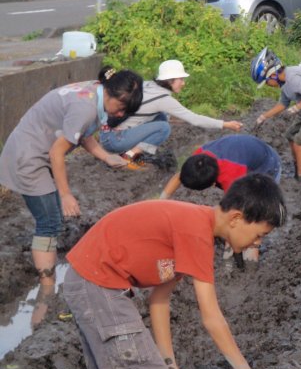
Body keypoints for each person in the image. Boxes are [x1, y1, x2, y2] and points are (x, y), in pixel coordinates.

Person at [63, 173, 287, 369]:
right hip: (97, 283)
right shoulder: (195, 232)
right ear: (237, 218)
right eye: (259, 235)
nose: (257, 243)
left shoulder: (193, 227)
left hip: (93, 281)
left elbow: (159, 298)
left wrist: (169, 361)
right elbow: (211, 317)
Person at [0, 66, 143, 296]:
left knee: (51, 218)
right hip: (29, 157)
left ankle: (47, 285)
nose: (119, 115)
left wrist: (107, 157)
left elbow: (83, 134)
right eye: (121, 108)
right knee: (49, 222)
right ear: (110, 93)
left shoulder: (94, 90)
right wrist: (66, 195)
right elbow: (57, 153)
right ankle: (47, 290)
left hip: (35, 148)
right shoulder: (84, 108)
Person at [99, 59, 243, 169]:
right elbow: (195, 119)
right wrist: (225, 124)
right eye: (181, 79)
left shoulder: (148, 84)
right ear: (170, 80)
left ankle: (131, 151)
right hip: (114, 140)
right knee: (164, 127)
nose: (183, 83)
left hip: (106, 134)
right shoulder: (163, 99)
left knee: (163, 116)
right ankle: (128, 157)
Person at [161, 133, 282, 264]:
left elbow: (235, 214)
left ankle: (253, 249)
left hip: (267, 164)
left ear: (213, 184)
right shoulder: (198, 161)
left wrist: (232, 248)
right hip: (242, 151)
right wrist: (161, 201)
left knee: (257, 211)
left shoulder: (231, 174)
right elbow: (180, 176)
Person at [251, 47, 301, 179]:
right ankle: (298, 167)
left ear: (273, 75)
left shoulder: (292, 78)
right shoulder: (284, 84)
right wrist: (263, 116)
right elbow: (283, 104)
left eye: (266, 82)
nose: (268, 85)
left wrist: (297, 107)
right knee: (291, 135)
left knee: (299, 142)